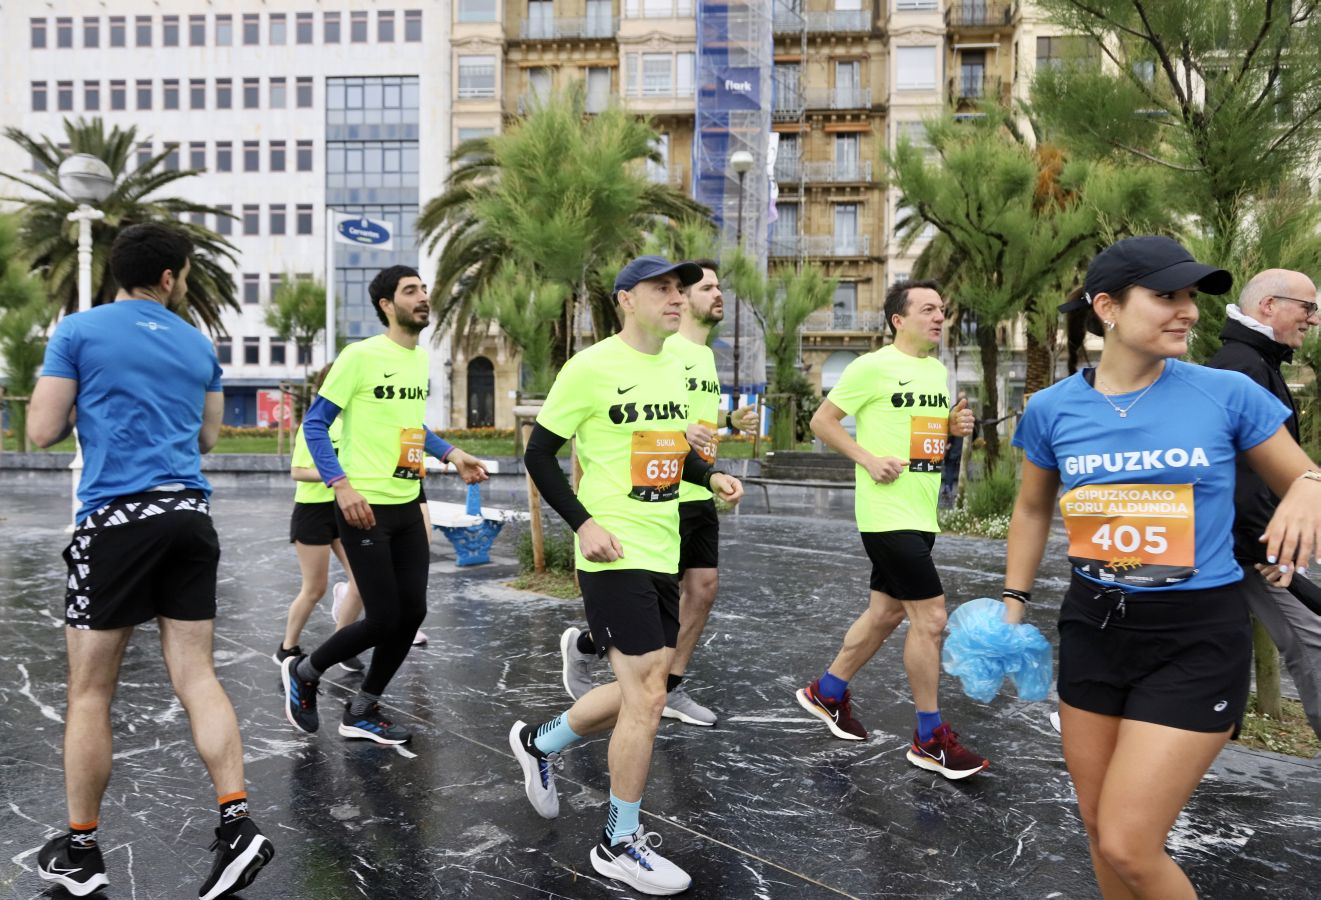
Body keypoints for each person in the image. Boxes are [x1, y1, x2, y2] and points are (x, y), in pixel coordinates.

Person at [1005, 236, 1321, 899]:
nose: (1189, 311)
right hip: (1092, 628)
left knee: (1129, 841)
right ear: (1107, 307)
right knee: (1099, 827)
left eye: (1191, 297)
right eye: (1167, 296)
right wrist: (1013, 603)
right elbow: (1031, 509)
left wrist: (1307, 491)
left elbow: (1304, 477)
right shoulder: (1051, 408)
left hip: (1194, 637)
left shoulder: (1226, 393)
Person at [27, 223, 273, 899]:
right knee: (197, 675)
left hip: (116, 524)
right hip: (189, 518)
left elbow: (41, 430)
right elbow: (208, 437)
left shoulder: (79, 332)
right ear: (169, 278)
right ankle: (237, 825)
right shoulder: (198, 345)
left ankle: (81, 851)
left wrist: (89, 401)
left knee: (90, 692)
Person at [508, 255, 744, 896]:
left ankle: (540, 743)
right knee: (648, 698)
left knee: (646, 688)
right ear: (626, 300)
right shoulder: (590, 368)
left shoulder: (675, 368)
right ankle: (617, 842)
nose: (676, 298)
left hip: (662, 548)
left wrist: (709, 476)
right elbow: (539, 454)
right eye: (661, 288)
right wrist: (583, 525)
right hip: (612, 554)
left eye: (679, 288)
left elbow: (669, 452)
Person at [280, 265, 487, 745]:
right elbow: (315, 423)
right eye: (411, 291)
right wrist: (341, 485)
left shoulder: (418, 360)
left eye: (424, 289)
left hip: (407, 501)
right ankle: (304, 671)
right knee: (382, 618)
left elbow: (410, 427)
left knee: (412, 613)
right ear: (386, 305)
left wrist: (451, 454)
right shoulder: (359, 356)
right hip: (364, 507)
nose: (423, 297)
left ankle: (362, 709)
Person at [793, 279, 984, 780]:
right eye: (928, 309)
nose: (939, 317)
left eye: (942, 309)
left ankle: (827, 692)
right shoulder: (871, 366)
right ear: (899, 319)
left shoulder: (935, 371)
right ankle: (929, 738)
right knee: (932, 619)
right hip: (886, 514)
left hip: (921, 512)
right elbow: (822, 421)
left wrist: (951, 429)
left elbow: (924, 437)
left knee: (885, 613)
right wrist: (867, 458)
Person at [558, 258, 759, 726]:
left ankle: (670, 687)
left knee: (702, 590)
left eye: (708, 287)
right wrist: (585, 522)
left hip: (689, 488)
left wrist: (717, 453)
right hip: (642, 509)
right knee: (643, 655)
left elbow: (683, 422)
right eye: (703, 288)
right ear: (629, 300)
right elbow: (640, 424)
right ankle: (590, 661)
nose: (712, 295)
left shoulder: (698, 357)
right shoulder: (641, 355)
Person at [1207, 269, 1321, 739]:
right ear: (1268, 306)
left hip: (1248, 543)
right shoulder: (1243, 368)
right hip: (1254, 547)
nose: (1314, 319)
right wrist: (1272, 550)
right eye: (1308, 307)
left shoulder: (1254, 361)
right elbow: (1240, 474)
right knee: (1312, 645)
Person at [276, 363, 367, 673]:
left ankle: (341, 644)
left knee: (362, 580)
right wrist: (338, 474)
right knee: (315, 588)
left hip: (343, 509)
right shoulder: (315, 424)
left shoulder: (352, 424)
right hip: (312, 513)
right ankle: (286, 647)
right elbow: (298, 472)